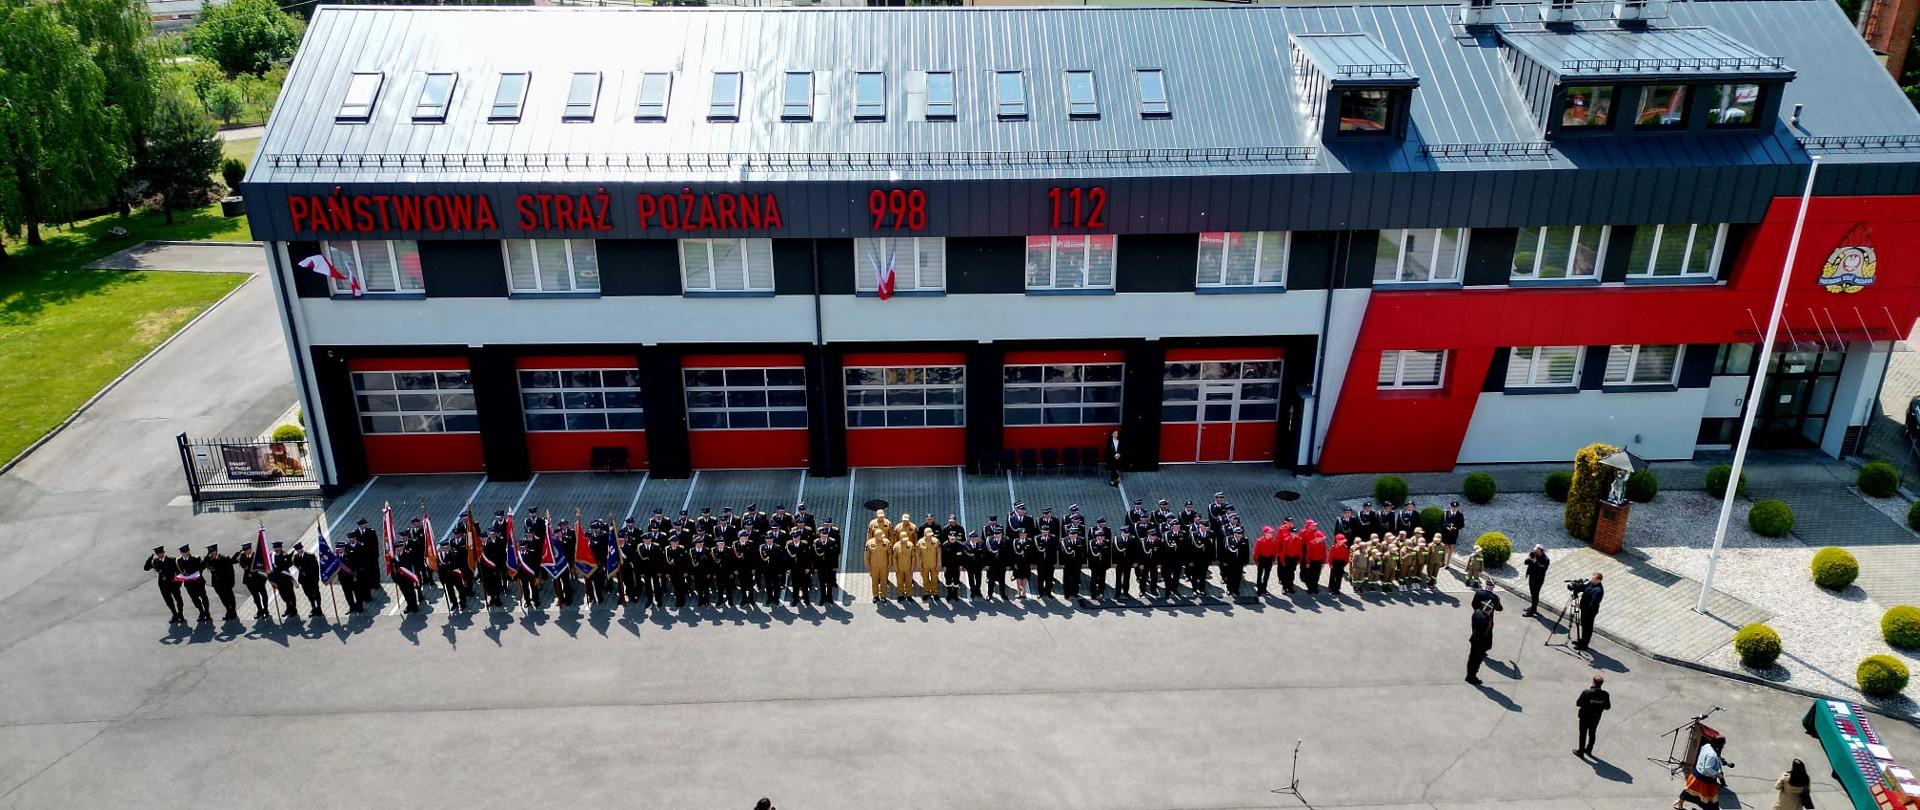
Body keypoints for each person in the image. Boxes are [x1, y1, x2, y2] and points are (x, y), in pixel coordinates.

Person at [1675, 736, 1728, 810]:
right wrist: (1718, 774)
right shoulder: (1712, 755)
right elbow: (1708, 768)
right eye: (1722, 745)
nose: (1723, 747)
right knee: (1710, 799)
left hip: (1696, 774)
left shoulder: (1707, 746)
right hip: (1705, 779)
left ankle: (1679, 802)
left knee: (1690, 791)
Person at [145, 546, 186, 625]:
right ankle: (174, 614)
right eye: (158, 553)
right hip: (163, 585)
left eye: (161, 552)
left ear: (164, 552)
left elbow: (179, 572)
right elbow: (146, 568)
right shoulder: (155, 561)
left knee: (179, 599)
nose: (160, 554)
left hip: (173, 583)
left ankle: (180, 614)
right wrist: (149, 560)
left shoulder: (172, 560)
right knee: (168, 601)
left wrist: (179, 583)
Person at [1575, 674, 1611, 756]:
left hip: (1584, 716)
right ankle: (1589, 750)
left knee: (1583, 734)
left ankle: (1581, 751)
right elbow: (1607, 707)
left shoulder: (1586, 692)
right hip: (1595, 718)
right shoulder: (1605, 694)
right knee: (1592, 733)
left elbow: (1578, 703)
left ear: (1593, 682)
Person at [176, 544, 213, 623]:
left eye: (187, 551)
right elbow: (180, 571)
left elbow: (200, 568)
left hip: (198, 582)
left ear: (189, 551)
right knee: (195, 599)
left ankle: (207, 612)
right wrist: (181, 577)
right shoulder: (179, 561)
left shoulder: (196, 558)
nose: (185, 553)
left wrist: (192, 574)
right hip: (189, 584)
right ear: (181, 553)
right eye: (183, 552)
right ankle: (201, 612)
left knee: (203, 597)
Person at [204, 544, 239, 622]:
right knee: (223, 599)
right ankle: (228, 610)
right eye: (210, 552)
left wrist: (231, 583)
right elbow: (202, 566)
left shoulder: (225, 558)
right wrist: (206, 557)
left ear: (216, 551)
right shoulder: (209, 559)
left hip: (226, 583)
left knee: (230, 598)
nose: (212, 553)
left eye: (213, 551)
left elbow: (231, 572)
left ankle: (233, 612)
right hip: (217, 584)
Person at [235, 542, 269, 619]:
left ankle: (266, 610)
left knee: (264, 595)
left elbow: (263, 566)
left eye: (247, 549)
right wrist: (239, 552)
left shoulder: (257, 556)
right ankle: (260, 610)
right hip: (249, 581)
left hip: (259, 579)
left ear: (251, 549)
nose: (246, 551)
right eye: (244, 550)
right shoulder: (241, 556)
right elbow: (232, 560)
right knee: (255, 597)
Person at [1574, 572, 1604, 650]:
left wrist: (1580, 606)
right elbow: (1584, 587)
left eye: (1593, 579)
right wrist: (1577, 586)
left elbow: (1592, 604)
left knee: (1587, 628)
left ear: (1599, 580)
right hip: (1584, 609)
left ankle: (1584, 645)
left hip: (1590, 612)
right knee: (1583, 625)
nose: (1591, 580)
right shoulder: (1591, 583)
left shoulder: (1598, 591)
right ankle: (1581, 641)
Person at [1467, 602, 1495, 685]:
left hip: (1474, 638)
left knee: (1472, 659)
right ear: (1489, 610)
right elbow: (1486, 633)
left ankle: (1470, 675)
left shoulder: (1477, 612)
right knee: (1476, 661)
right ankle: (1471, 678)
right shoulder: (1486, 620)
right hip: (1480, 643)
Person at [293, 542, 323, 619]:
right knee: (309, 594)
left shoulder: (310, 556)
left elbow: (316, 568)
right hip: (304, 580)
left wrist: (316, 579)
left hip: (312, 579)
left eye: (300, 549)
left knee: (316, 593)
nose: (299, 550)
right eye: (297, 549)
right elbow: (297, 566)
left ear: (302, 548)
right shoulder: (296, 557)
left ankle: (319, 608)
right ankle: (313, 607)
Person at [1522, 545, 1551, 617]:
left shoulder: (1546, 559)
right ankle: (1533, 607)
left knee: (1535, 595)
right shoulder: (1534, 555)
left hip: (1538, 580)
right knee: (1532, 594)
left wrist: (1535, 561)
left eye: (1536, 551)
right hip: (1531, 577)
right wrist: (1529, 558)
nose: (1535, 552)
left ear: (1540, 551)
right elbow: (1525, 562)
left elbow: (1542, 569)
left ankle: (1532, 611)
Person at [1301, 521, 1327, 595]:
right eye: (1321, 538)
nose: (1322, 539)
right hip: (1311, 561)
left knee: (1316, 575)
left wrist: (1323, 562)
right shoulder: (1311, 543)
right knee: (1310, 575)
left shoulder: (1322, 544)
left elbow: (1324, 553)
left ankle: (1315, 588)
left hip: (1319, 561)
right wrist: (1308, 562)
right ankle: (1310, 588)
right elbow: (1308, 554)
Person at [865, 526, 890, 602]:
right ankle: (875, 596)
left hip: (884, 566)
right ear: (876, 536)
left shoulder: (887, 542)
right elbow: (867, 556)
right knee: (874, 581)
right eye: (881, 536)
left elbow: (890, 554)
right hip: (874, 566)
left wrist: (889, 564)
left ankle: (883, 595)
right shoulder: (869, 543)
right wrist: (868, 566)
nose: (882, 538)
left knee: (884, 581)